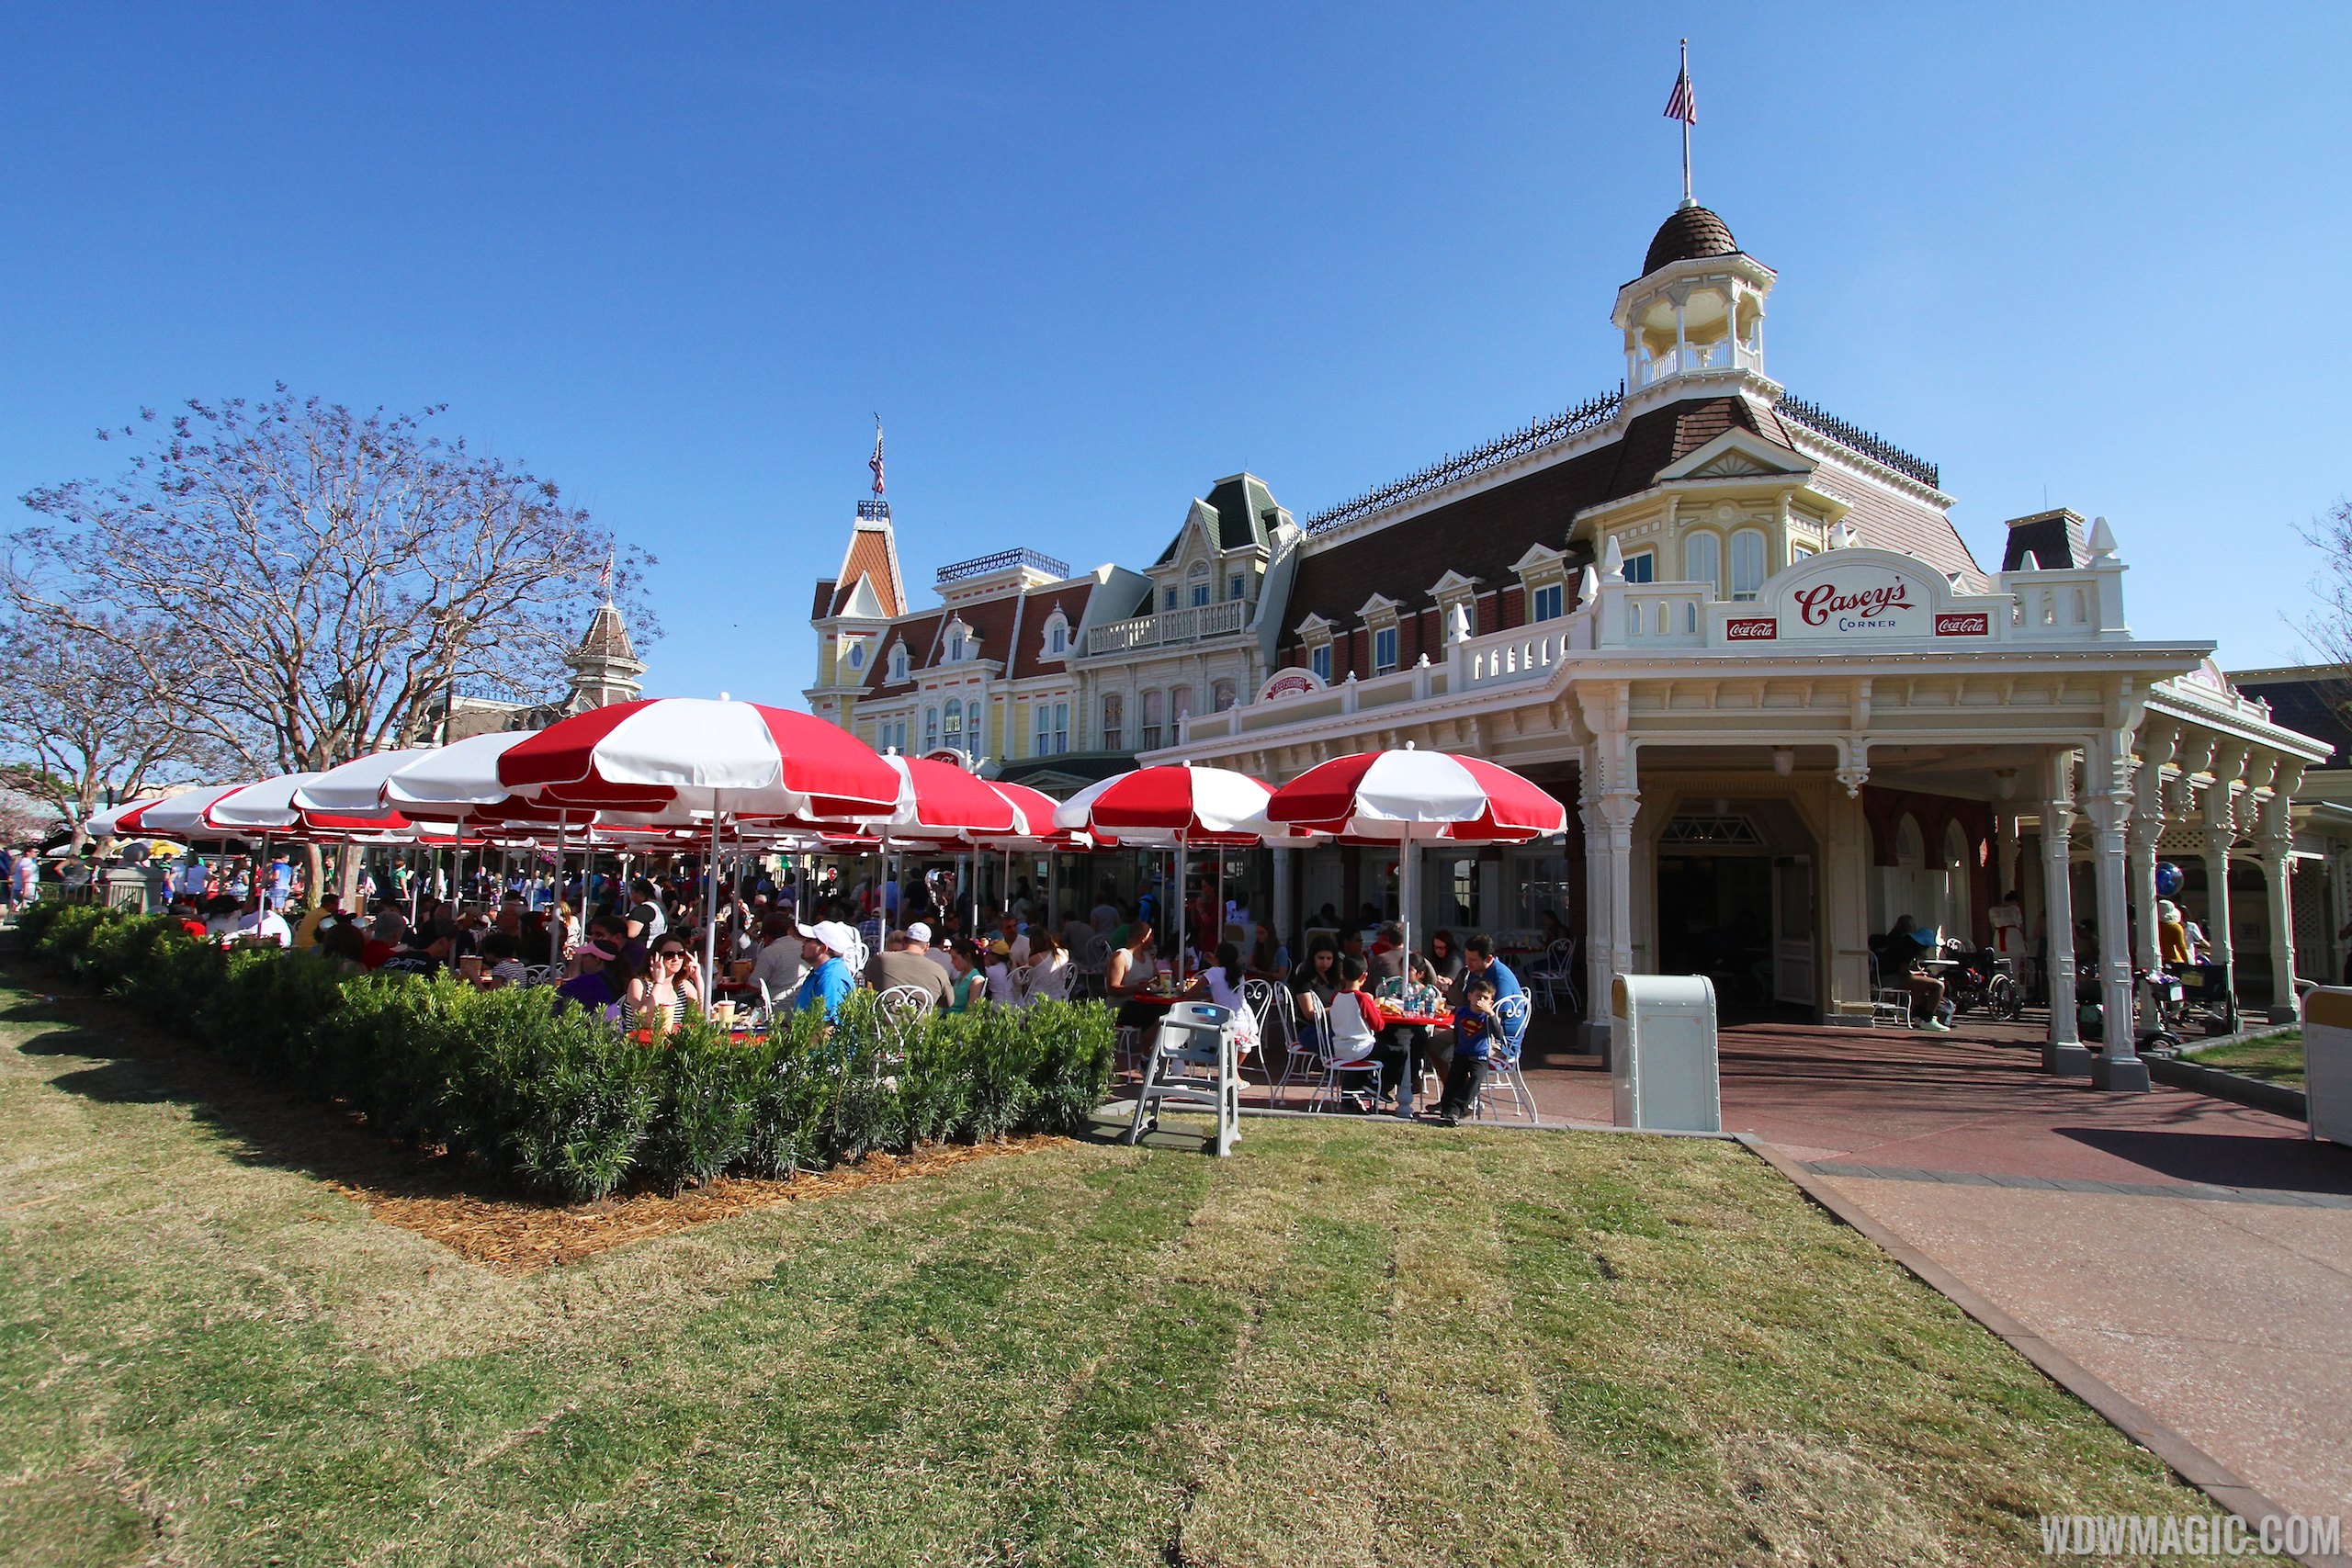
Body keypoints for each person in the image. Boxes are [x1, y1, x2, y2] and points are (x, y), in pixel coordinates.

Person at [1433, 973, 1504, 1126]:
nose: (1481, 1001)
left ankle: (1457, 1109)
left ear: (1491, 1002)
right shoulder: (1461, 1012)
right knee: (1453, 1081)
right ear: (1470, 996)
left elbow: (1498, 1034)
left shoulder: (1487, 1017)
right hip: (1461, 1053)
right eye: (1478, 996)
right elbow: (1458, 1031)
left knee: (1474, 1081)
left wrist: (1491, 1013)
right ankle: (1448, 1109)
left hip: (1479, 1057)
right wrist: (1457, 1048)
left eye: (1485, 998)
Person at [1323, 957, 1386, 1111]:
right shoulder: (1363, 998)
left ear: (1342, 974)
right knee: (1397, 1052)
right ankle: (1376, 1085)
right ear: (1364, 976)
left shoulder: (1336, 997)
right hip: (1361, 1049)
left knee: (1358, 1059)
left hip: (1339, 1048)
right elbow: (1378, 1026)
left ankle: (1350, 1096)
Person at [1180, 941, 1259, 1056]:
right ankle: (1233, 1070)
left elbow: (1191, 993)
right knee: (1243, 1043)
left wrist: (1181, 991)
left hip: (1227, 1024)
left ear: (1218, 957)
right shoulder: (1238, 974)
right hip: (1248, 1023)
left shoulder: (1213, 972)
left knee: (1193, 1024)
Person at [627, 938, 702, 1036]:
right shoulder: (639, 984)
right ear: (655, 957)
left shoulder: (683, 986)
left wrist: (698, 980)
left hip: (673, 1044)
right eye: (669, 955)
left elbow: (701, 1016)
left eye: (681, 954)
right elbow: (642, 1021)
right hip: (642, 1044)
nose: (676, 959)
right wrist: (659, 982)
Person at [866, 926, 954, 1007]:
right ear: (927, 946)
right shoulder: (938, 970)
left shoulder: (881, 959)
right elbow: (949, 1002)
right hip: (921, 1022)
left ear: (904, 941)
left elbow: (869, 982)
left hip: (885, 1022)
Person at [792, 920, 859, 1021]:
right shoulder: (821, 972)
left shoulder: (831, 977)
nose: (803, 942)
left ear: (823, 948)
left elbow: (826, 1028)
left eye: (809, 940)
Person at [1106, 918, 1165, 1031]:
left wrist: (1158, 982)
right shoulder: (1121, 957)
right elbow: (1112, 989)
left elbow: (1158, 978)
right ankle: (1148, 1047)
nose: (1153, 939)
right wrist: (1137, 988)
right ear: (1143, 938)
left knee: (1168, 1011)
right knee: (1155, 1015)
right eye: (1151, 935)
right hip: (1123, 1006)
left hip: (1145, 1003)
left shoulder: (1148, 956)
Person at [552, 940, 620, 1017]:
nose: (582, 960)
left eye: (585, 956)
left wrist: (576, 964)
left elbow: (556, 997)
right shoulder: (615, 979)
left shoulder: (591, 981)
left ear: (596, 960)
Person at [751, 913, 804, 1008]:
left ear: (767, 936)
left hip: (775, 1007)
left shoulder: (769, 952)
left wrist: (746, 976)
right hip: (801, 1004)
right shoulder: (803, 947)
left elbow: (753, 987)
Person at [1021, 928, 1071, 1004]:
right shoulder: (1064, 952)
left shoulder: (1035, 958)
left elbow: (1030, 980)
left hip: (1039, 999)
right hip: (1060, 996)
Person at [377, 929, 453, 976]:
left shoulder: (393, 959)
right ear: (443, 941)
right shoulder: (431, 967)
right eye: (452, 944)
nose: (450, 949)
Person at [228, 892, 293, 949]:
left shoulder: (246, 919)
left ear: (253, 907)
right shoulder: (280, 919)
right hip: (283, 951)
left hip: (253, 952)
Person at [944, 939, 989, 1012]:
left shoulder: (976, 980)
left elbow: (971, 1011)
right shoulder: (962, 974)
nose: (952, 962)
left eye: (955, 958)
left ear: (967, 956)